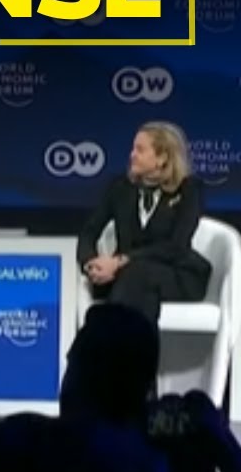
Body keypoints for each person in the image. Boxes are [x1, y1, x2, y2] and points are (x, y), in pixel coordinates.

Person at [77, 121, 211, 325]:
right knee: (136, 283)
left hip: (175, 274)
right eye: (133, 149)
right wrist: (91, 264)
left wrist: (121, 261)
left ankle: (115, 338)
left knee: (137, 275)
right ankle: (136, 342)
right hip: (125, 277)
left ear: (162, 158)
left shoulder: (189, 189)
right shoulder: (120, 188)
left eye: (140, 150)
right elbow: (89, 231)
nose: (132, 155)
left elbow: (176, 246)